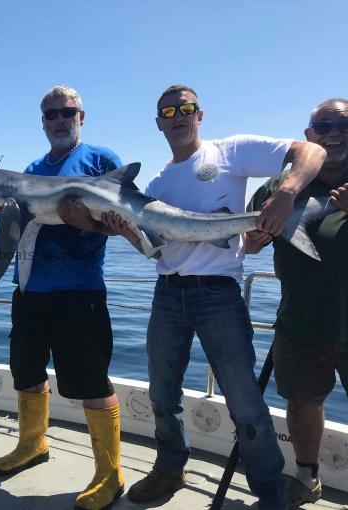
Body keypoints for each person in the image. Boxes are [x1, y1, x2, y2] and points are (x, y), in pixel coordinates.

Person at [103, 84, 326, 509]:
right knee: (162, 394)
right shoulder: (156, 183)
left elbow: (309, 152)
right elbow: (154, 249)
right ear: (159, 123)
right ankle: (170, 467)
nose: (178, 115)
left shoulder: (231, 151)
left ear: (199, 115)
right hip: (167, 294)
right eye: (168, 111)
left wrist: (284, 194)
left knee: (244, 402)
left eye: (186, 108)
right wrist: (124, 230)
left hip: (218, 296)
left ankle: (271, 493)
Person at [0, 86, 125, 510]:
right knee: (26, 372)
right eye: (51, 115)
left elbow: (122, 223)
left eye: (67, 112)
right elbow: (21, 225)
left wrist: (88, 223)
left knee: (91, 382)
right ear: (43, 122)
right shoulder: (32, 168)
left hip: (79, 290)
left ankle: (110, 474)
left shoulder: (102, 160)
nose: (60, 120)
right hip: (30, 289)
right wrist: (6, 214)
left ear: (82, 115)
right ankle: (33, 444)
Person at [245, 98, 348, 507]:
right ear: (309, 136)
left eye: (344, 126)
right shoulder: (277, 187)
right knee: (303, 402)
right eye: (324, 126)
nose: (335, 134)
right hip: (302, 320)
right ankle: (307, 475)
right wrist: (251, 241)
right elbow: (248, 243)